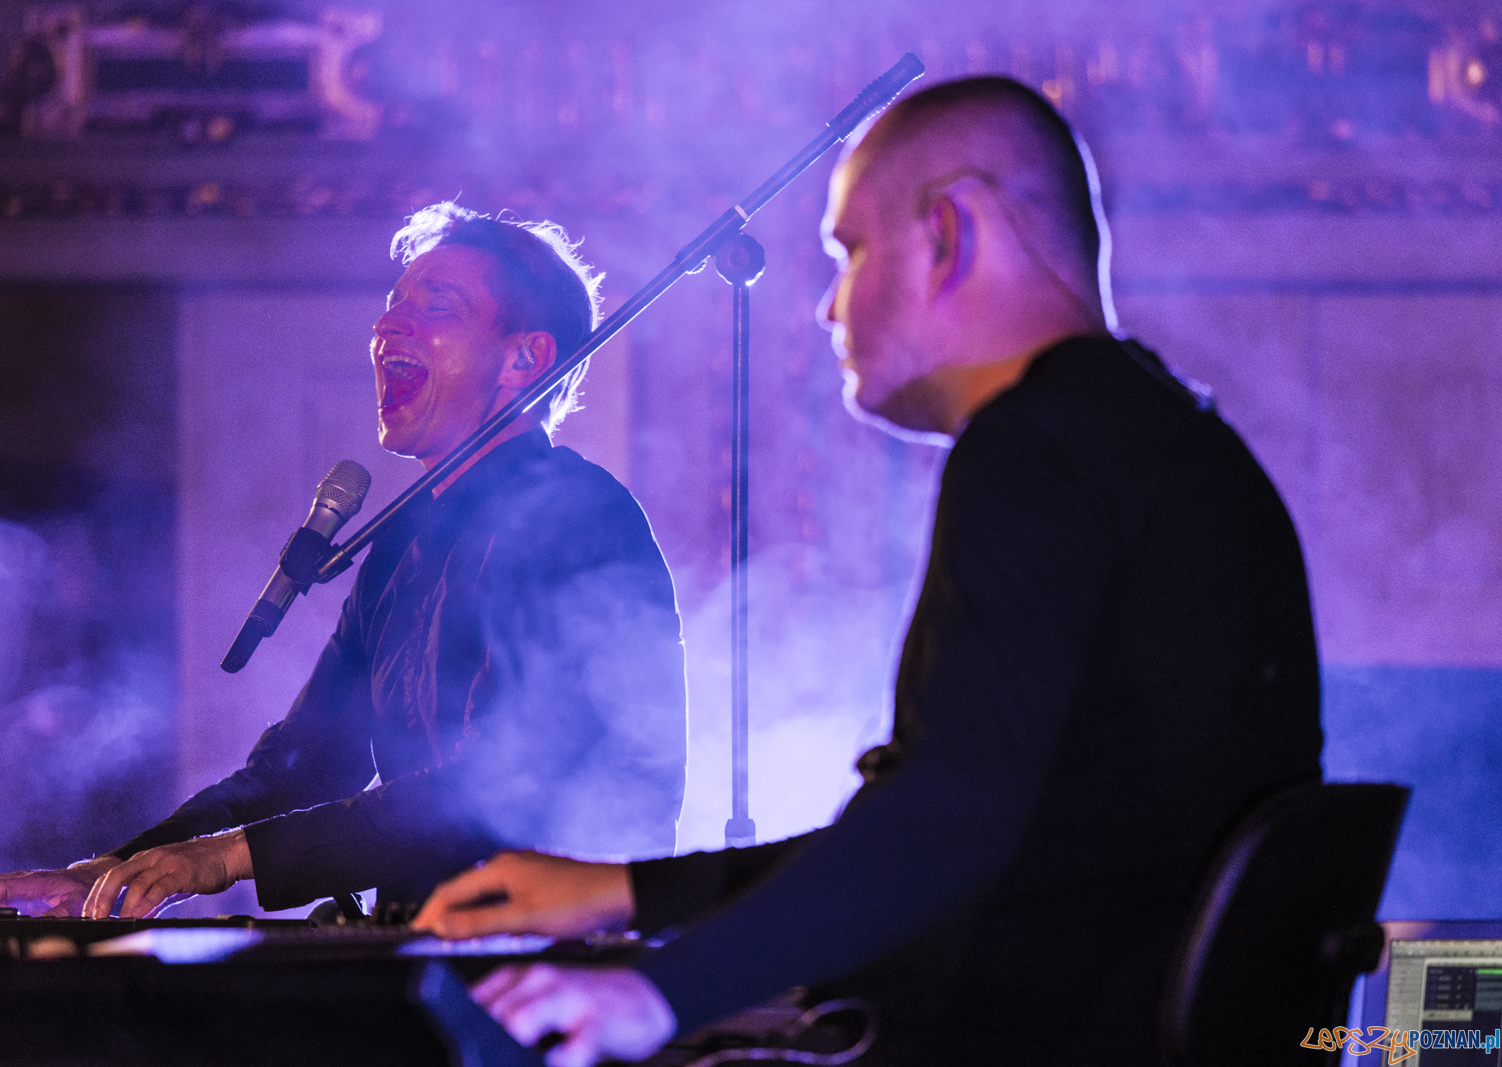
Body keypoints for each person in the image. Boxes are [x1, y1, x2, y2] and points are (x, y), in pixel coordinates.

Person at [411, 77, 1323, 1067]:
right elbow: (973, 823)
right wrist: (631, 892)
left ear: (947, 229)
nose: (829, 303)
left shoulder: (1033, 444)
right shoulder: (1166, 439)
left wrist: (654, 992)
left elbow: (950, 812)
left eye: (847, 251)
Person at [0, 203, 688, 921]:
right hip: (441, 944)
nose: (388, 324)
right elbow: (304, 762)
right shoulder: (401, 541)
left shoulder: (580, 517)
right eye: (393, 304)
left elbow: (499, 785)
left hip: (568, 970)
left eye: (438, 308)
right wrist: (101, 872)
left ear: (526, 358)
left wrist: (228, 856)